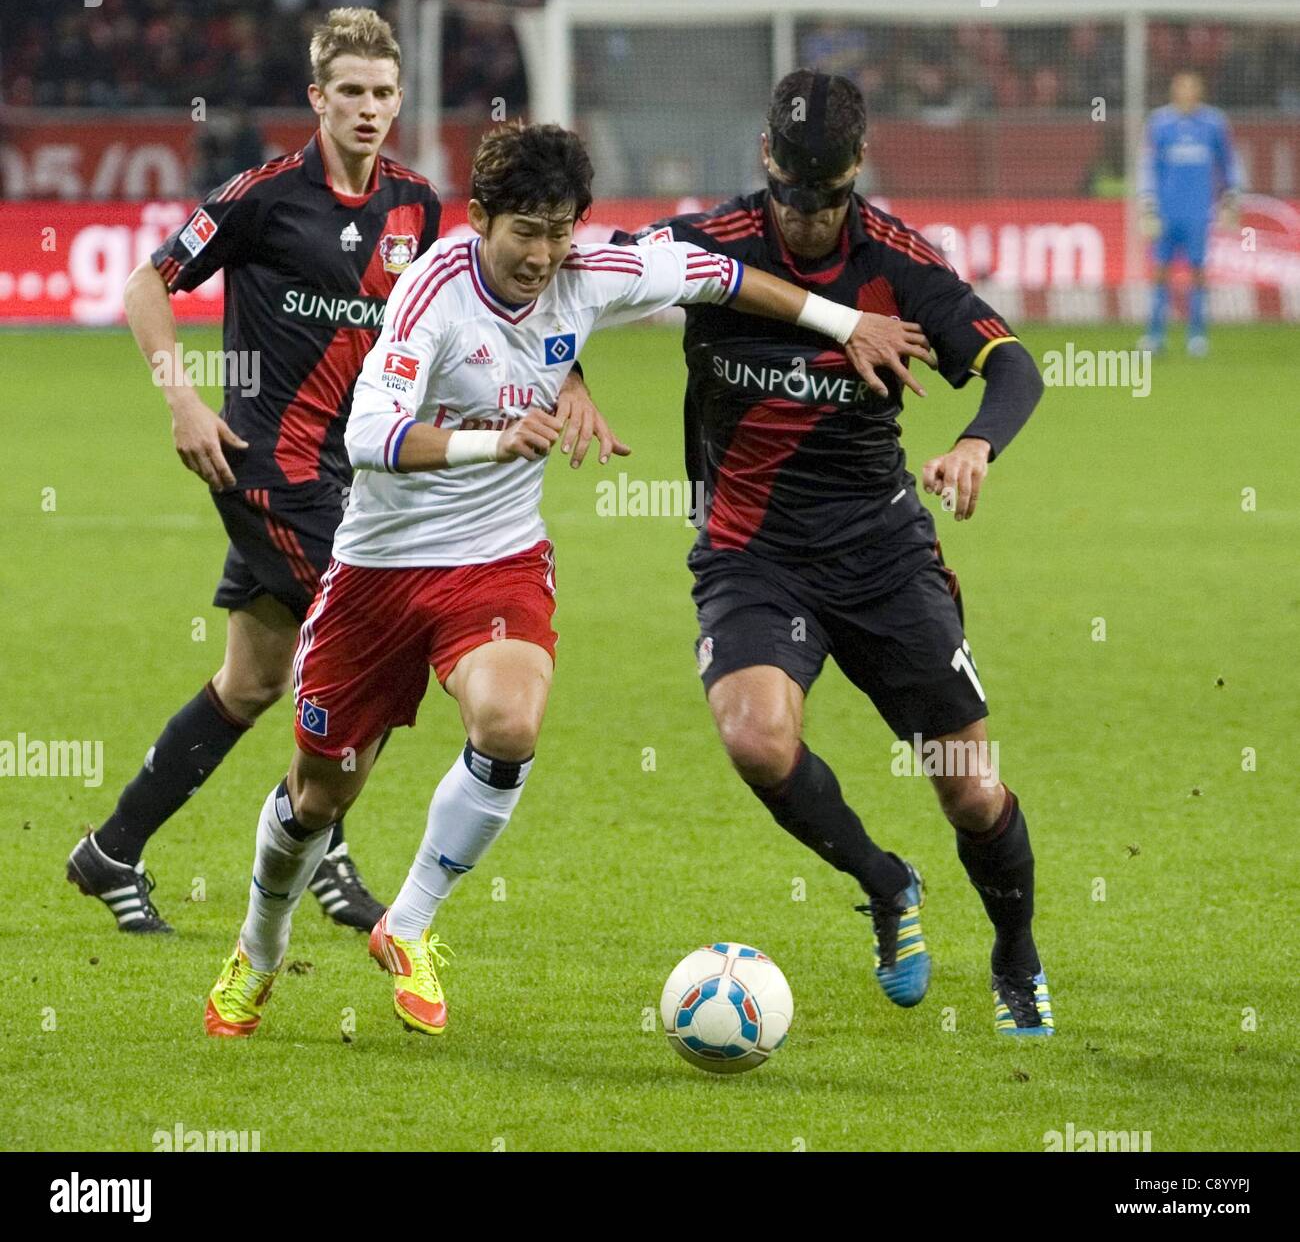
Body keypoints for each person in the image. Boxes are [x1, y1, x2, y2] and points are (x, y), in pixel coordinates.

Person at [202, 119, 932, 1038]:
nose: (543, 255)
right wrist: (495, 440)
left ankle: (411, 923)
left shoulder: (589, 275)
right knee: (319, 796)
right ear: (479, 220)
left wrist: (845, 319)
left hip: (498, 560)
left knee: (509, 722)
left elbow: (728, 277)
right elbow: (368, 439)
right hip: (379, 571)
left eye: (560, 231)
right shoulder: (432, 291)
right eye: (525, 233)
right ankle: (258, 950)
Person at [617, 69, 1053, 1036]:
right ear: (767, 161)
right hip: (751, 554)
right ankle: (887, 883)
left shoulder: (900, 261)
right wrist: (561, 379)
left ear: (857, 169)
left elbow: (1014, 365)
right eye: (792, 197)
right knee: (755, 738)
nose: (809, 219)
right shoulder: (708, 245)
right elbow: (581, 277)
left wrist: (978, 440)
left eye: (829, 198)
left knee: (973, 794)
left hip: (883, 555)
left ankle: (1015, 955)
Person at [68, 10, 444, 934]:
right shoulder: (265, 195)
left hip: (353, 476)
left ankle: (110, 851)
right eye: (348, 92)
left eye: (382, 93)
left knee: (252, 681)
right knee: (375, 648)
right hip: (266, 467)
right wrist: (183, 399)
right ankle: (321, 852)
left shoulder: (418, 207)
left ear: (400, 100)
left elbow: (426, 330)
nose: (366, 108)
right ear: (317, 98)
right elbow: (145, 282)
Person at [1139, 71, 1243, 356]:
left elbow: (1229, 162)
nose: (1187, 93)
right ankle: (1155, 335)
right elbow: (1148, 165)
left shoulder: (1213, 123)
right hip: (1165, 211)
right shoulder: (1160, 123)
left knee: (1197, 272)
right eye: (1182, 87)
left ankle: (1197, 335)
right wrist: (1147, 201)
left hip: (1198, 211)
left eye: (1192, 88)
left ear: (1200, 91)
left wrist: (1231, 195)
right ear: (1174, 91)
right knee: (1160, 272)